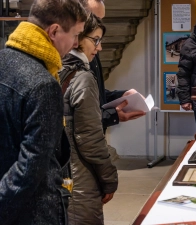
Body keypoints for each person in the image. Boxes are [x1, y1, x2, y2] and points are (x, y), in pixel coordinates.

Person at [0, 0, 87, 224]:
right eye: (76, 34)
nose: (77, 42)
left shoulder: (3, 60)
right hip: (32, 211)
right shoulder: (43, 84)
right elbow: (31, 166)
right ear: (54, 31)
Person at [59, 13, 117, 224]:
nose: (99, 48)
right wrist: (109, 179)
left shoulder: (57, 69)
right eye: (95, 40)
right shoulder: (82, 78)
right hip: (80, 177)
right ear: (78, 37)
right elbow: (90, 139)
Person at [80, 0, 145, 132]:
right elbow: (79, 118)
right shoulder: (70, 59)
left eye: (101, 20)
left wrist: (122, 96)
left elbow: (96, 94)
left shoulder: (93, 49)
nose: (100, 25)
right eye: (95, 19)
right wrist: (112, 116)